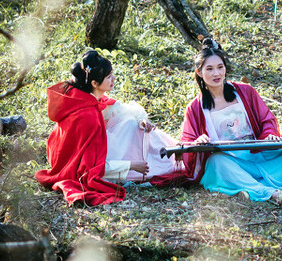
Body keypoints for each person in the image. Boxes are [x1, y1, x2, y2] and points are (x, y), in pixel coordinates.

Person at [36, 51, 188, 205]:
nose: (113, 79)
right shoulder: (88, 115)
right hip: (72, 163)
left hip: (70, 153)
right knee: (132, 127)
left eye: (112, 74)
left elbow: (121, 108)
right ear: (95, 83)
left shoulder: (86, 97)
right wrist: (131, 165)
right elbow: (89, 169)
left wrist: (141, 120)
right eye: (109, 77)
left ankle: (174, 152)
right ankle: (172, 159)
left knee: (132, 121)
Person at [176, 39, 282, 204]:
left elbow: (266, 119)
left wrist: (270, 134)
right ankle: (267, 191)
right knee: (216, 162)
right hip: (230, 161)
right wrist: (198, 142)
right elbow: (187, 141)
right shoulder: (195, 107)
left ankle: (245, 185)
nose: (216, 74)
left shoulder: (245, 92)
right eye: (209, 69)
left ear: (225, 68)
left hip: (258, 153)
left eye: (220, 67)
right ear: (199, 72)